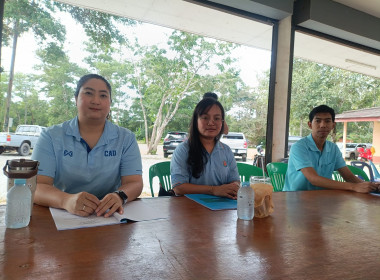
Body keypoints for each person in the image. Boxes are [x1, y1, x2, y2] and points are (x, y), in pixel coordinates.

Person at [31, 74, 143, 217]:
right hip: (63, 215)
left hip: (108, 217)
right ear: (76, 98)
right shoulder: (51, 136)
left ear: (110, 102)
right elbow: (37, 187)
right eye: (88, 93)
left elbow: (134, 182)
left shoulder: (126, 138)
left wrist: (119, 196)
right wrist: (66, 200)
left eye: (103, 95)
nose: (96, 101)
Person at [283, 105, 379, 193]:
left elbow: (349, 177)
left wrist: (372, 186)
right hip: (295, 198)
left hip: (322, 198)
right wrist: (353, 187)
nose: (323, 125)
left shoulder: (333, 148)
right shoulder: (299, 147)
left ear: (333, 125)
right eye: (318, 121)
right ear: (310, 124)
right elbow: (313, 179)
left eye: (327, 121)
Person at [170, 97, 240, 199]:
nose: (211, 123)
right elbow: (179, 188)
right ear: (196, 121)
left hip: (223, 210)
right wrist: (214, 190)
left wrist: (235, 187)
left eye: (216, 118)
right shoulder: (183, 150)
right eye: (205, 117)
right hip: (191, 209)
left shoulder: (226, 150)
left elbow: (234, 180)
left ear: (222, 122)